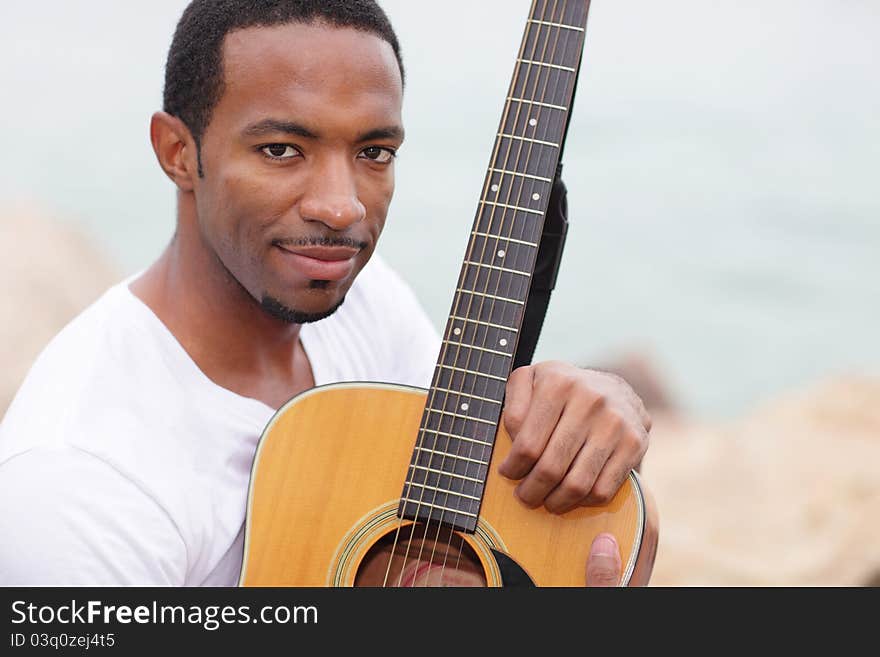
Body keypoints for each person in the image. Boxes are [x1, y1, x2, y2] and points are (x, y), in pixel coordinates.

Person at [0, 0, 654, 587]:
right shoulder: (78, 484)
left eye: (373, 152)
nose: (342, 208)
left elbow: (473, 513)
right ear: (178, 151)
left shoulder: (365, 304)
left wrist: (599, 409)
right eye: (282, 149)